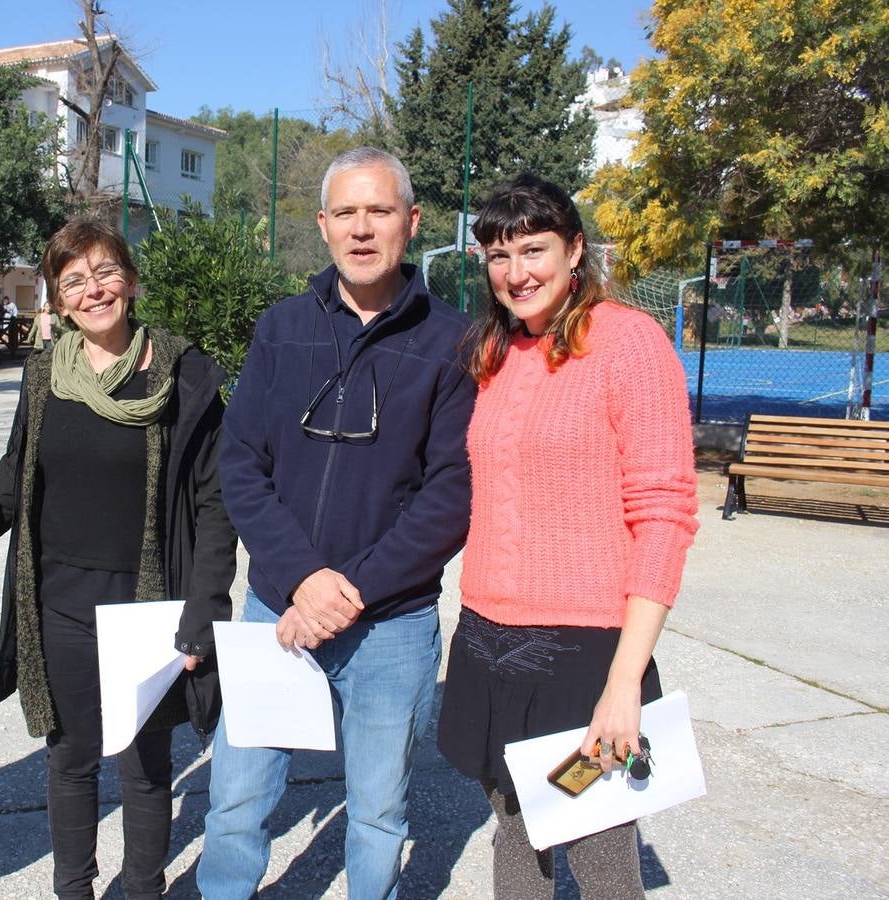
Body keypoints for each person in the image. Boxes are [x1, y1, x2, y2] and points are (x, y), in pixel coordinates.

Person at [198, 147, 476, 900]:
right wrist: (304, 579)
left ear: (412, 224)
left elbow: (451, 493)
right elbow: (242, 464)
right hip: (276, 609)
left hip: (390, 624)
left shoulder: (453, 343)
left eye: (379, 211)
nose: (362, 229)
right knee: (235, 802)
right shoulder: (281, 328)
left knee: (380, 814)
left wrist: (349, 589)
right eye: (346, 213)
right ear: (322, 225)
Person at [436, 173, 699, 898]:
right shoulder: (496, 351)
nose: (516, 272)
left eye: (534, 249)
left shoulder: (628, 343)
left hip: (582, 654)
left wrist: (623, 685)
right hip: (491, 641)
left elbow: (665, 515)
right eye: (497, 255)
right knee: (515, 831)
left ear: (576, 248)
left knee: (599, 852)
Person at [0, 218, 236, 900]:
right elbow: (9, 484)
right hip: (60, 606)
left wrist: (205, 610)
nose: (94, 290)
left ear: (132, 281)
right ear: (57, 301)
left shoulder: (186, 375)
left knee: (144, 767)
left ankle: (143, 887)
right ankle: (74, 890)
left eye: (106, 272)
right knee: (72, 760)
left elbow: (214, 503)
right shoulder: (41, 379)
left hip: (147, 610)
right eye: (75, 281)